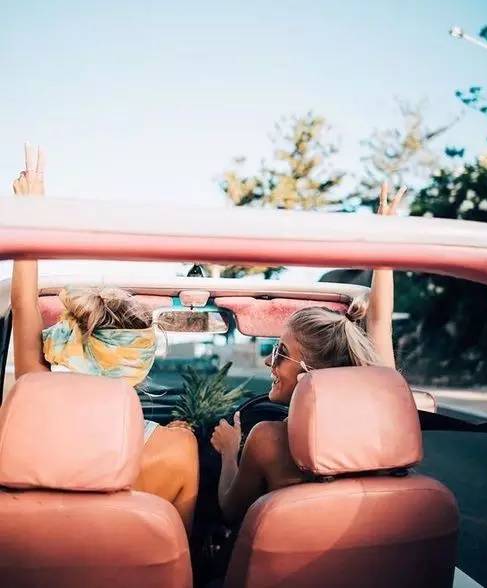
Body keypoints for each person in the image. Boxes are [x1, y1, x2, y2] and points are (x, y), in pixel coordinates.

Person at [10, 143, 199, 533]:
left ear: (72, 352)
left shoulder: (24, 427)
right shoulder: (177, 451)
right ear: (140, 365)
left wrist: (30, 212)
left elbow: (24, 304)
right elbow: (179, 547)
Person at [211, 182, 406, 524]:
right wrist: (385, 237)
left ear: (310, 374)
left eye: (280, 351)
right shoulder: (383, 428)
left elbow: (229, 511)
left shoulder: (268, 441)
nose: (269, 360)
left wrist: (229, 451)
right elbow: (379, 318)